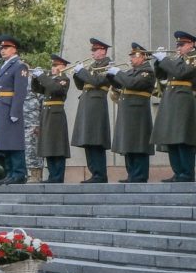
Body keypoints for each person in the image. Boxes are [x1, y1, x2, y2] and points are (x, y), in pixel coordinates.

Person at [108, 43, 156, 183]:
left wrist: (118, 73)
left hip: (138, 112)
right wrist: (111, 75)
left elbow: (132, 84)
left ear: (142, 57)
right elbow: (119, 83)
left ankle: (139, 175)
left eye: (134, 56)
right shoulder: (130, 71)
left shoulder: (147, 72)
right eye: (131, 55)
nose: (131, 58)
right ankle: (131, 174)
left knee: (138, 144)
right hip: (127, 111)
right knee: (128, 143)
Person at [152, 31, 196, 182]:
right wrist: (158, 62)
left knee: (183, 138)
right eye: (178, 45)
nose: (178, 48)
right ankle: (178, 172)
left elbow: (181, 72)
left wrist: (164, 60)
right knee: (171, 138)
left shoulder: (193, 58)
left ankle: (187, 173)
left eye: (182, 45)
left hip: (183, 100)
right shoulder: (177, 59)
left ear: (192, 44)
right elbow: (162, 76)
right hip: (170, 100)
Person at [0, 36, 31, 184]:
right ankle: (11, 173)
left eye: (5, 48)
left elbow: (20, 91)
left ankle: (19, 173)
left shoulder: (19, 66)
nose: (2, 51)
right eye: (1, 49)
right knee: (5, 143)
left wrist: (15, 112)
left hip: (10, 108)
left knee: (14, 142)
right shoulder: (5, 65)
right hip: (1, 108)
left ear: (14, 49)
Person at [70, 38, 113, 183]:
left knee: (96, 141)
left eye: (95, 50)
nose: (93, 53)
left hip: (96, 105)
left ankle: (100, 174)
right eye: (92, 50)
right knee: (87, 141)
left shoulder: (108, 65)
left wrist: (82, 71)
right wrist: (77, 74)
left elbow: (97, 82)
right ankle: (94, 173)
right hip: (87, 106)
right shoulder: (92, 66)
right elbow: (80, 85)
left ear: (103, 51)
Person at [31, 55, 72, 184]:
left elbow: (55, 88)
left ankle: (57, 177)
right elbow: (37, 89)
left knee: (57, 146)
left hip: (56, 114)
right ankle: (52, 176)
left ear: (63, 67)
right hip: (47, 114)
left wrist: (42, 76)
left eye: (56, 65)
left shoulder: (63, 79)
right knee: (48, 145)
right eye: (52, 65)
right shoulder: (51, 79)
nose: (53, 68)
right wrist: (35, 78)